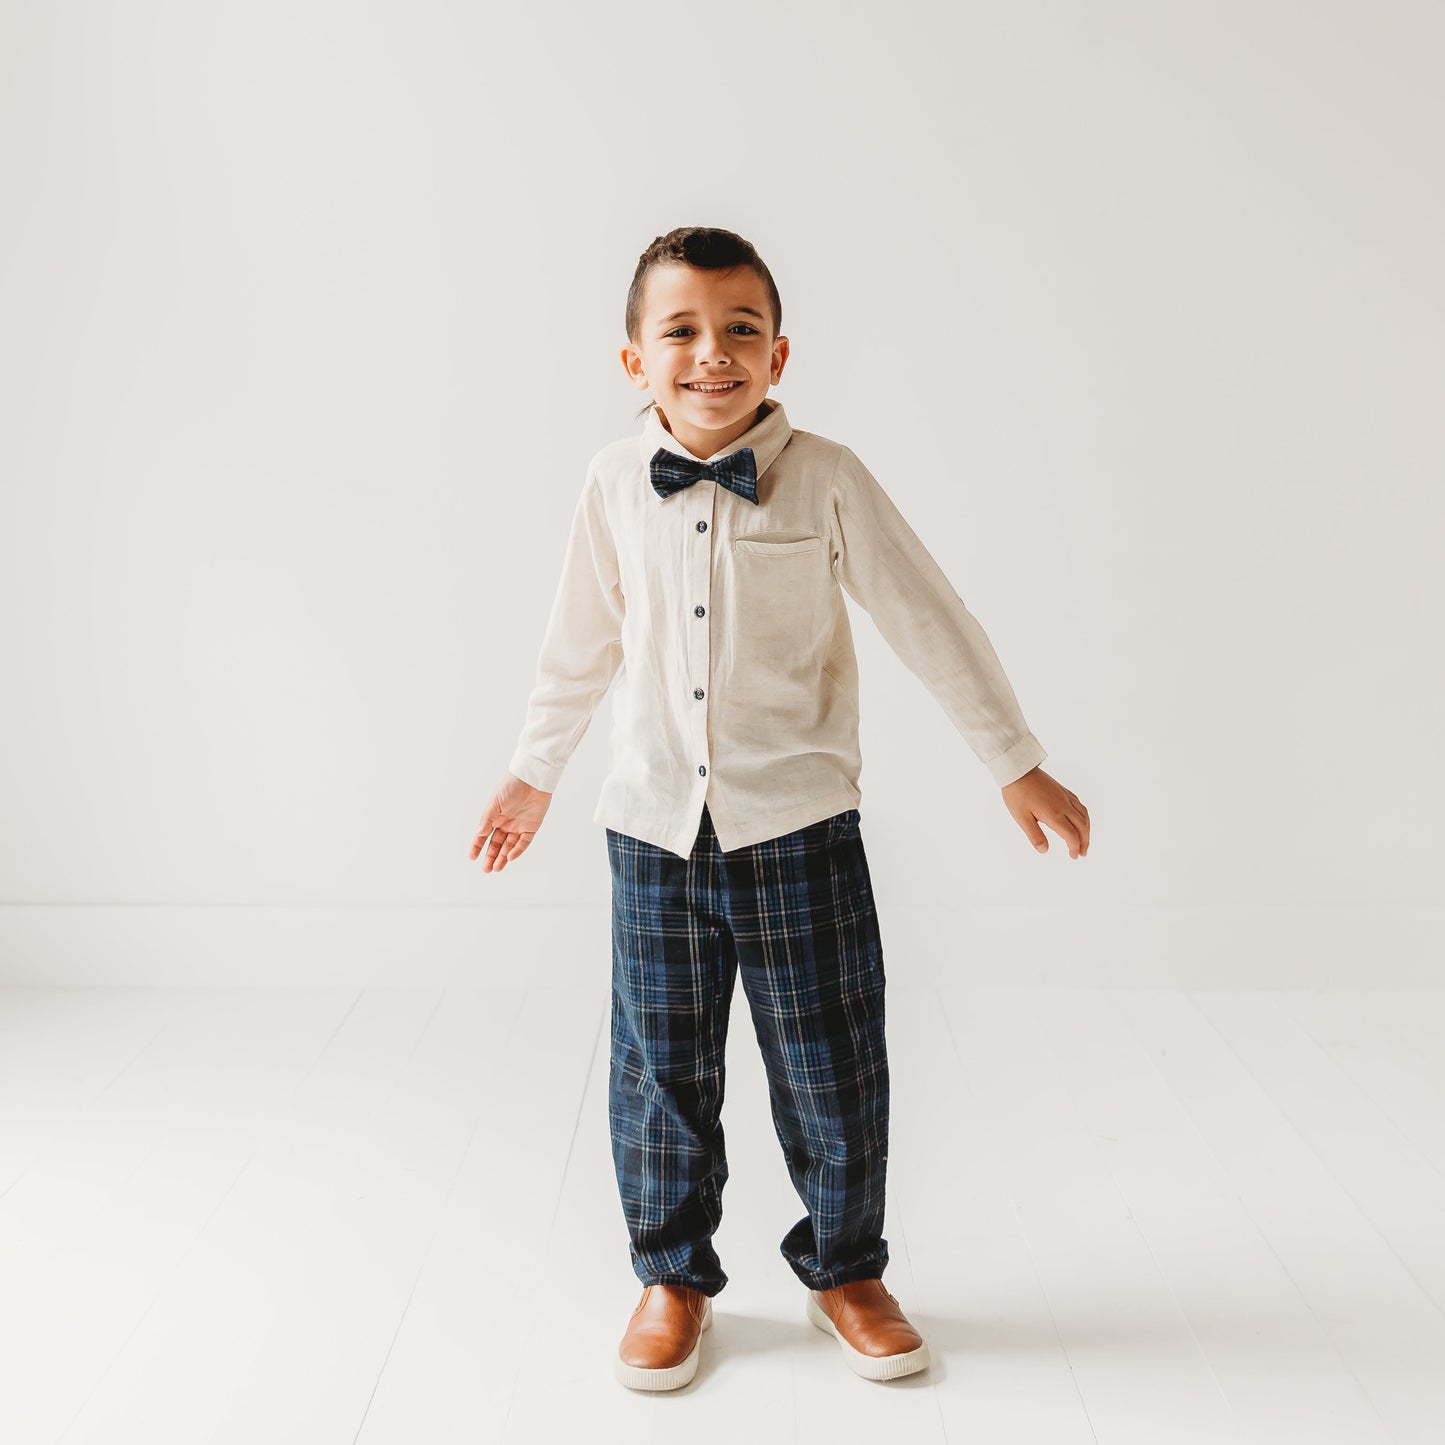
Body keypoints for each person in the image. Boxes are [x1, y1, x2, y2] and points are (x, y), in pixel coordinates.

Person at [469, 226, 1091, 1391]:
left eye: (740, 329)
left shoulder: (830, 477)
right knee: (660, 1068)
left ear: (779, 351)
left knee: (832, 1061)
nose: (713, 353)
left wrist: (1011, 758)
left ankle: (845, 1267)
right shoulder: (612, 484)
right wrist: (531, 769)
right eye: (683, 331)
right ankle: (672, 1276)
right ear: (633, 361)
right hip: (652, 830)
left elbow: (928, 617)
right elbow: (577, 646)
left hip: (798, 827)